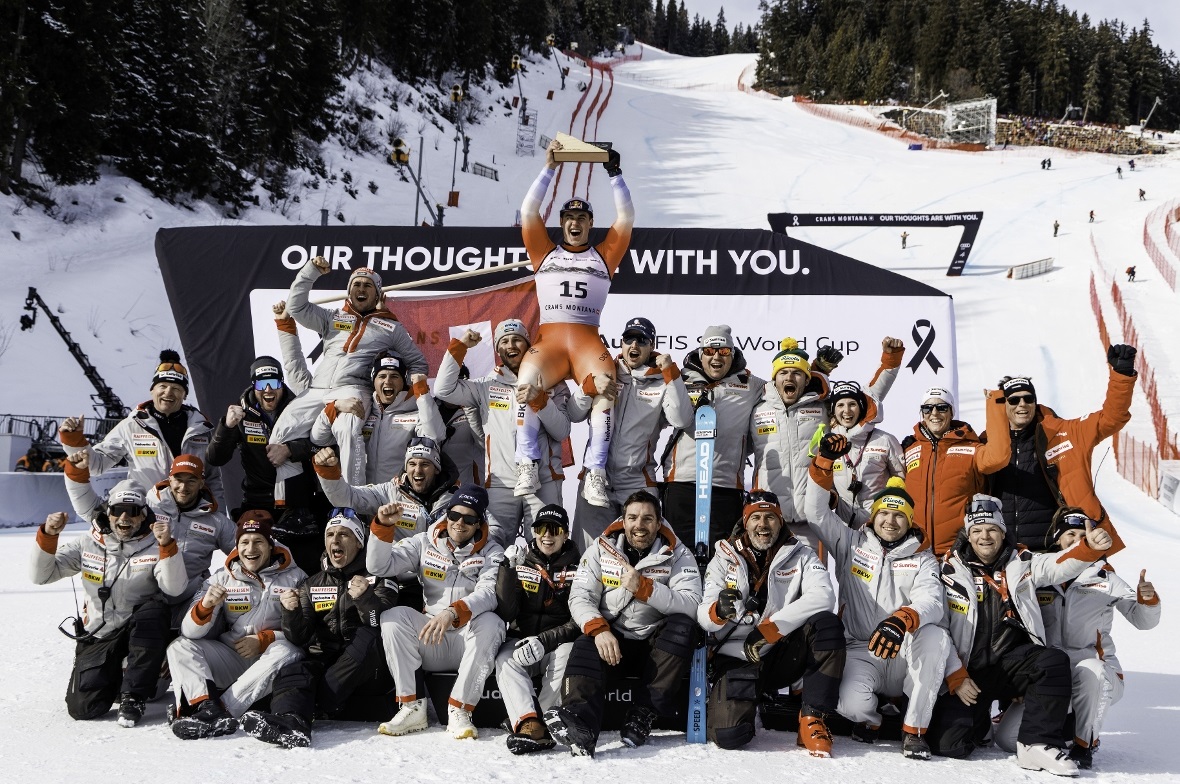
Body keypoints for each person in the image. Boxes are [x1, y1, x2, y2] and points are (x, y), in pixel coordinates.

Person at [927, 496, 1114, 775]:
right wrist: (955, 674)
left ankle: (1036, 744)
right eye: (976, 531)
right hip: (968, 672)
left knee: (1052, 661)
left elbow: (1058, 564)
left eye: (992, 529)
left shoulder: (1024, 561)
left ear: (1003, 533)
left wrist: (1087, 549)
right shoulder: (947, 570)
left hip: (1010, 664)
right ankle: (980, 725)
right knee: (952, 745)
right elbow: (938, 628)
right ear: (968, 534)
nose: (984, 536)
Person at [513, 138, 633, 506]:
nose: (575, 224)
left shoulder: (606, 254)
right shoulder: (543, 250)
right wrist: (549, 168)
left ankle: (595, 472)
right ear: (562, 224)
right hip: (550, 342)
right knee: (526, 383)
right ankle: (527, 463)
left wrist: (615, 174)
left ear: (590, 224)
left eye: (582, 219)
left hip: (585, 343)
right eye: (569, 219)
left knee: (605, 386)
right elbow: (529, 210)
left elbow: (626, 218)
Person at [806, 452, 949, 760]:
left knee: (936, 637)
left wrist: (902, 619)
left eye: (899, 515)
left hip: (903, 650)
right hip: (861, 647)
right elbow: (815, 514)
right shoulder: (851, 543)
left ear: (909, 521)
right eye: (884, 513)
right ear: (874, 516)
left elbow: (933, 601)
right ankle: (872, 722)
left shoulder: (923, 557)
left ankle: (914, 730)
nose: (890, 520)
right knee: (850, 705)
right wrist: (823, 464)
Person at [545, 491, 702, 757]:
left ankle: (641, 715)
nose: (639, 525)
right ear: (624, 519)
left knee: (683, 627)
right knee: (585, 642)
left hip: (654, 645)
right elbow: (580, 596)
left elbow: (692, 603)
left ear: (659, 521)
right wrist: (599, 630)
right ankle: (581, 726)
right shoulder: (600, 547)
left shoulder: (678, 552)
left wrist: (646, 589)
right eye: (633, 517)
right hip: (612, 640)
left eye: (647, 518)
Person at [1007, 508, 1161, 769]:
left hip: (1097, 674)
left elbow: (1142, 620)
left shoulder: (1105, 577)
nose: (1078, 539)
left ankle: (1084, 743)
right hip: (1052, 678)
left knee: (1093, 671)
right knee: (1008, 739)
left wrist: (1148, 599)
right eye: (1070, 534)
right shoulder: (1041, 574)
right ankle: (1065, 729)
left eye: (1083, 534)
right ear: (1057, 538)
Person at [697, 490, 845, 753]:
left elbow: (824, 595)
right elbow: (704, 618)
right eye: (755, 518)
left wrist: (771, 629)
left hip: (780, 654)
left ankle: (812, 718)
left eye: (770, 518)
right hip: (738, 657)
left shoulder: (801, 553)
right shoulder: (723, 556)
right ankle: (746, 701)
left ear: (780, 521)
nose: (762, 525)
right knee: (730, 735)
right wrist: (717, 611)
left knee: (826, 624)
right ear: (745, 522)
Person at [268, 258, 428, 499]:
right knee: (281, 435)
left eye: (367, 286)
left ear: (378, 294)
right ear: (349, 291)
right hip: (317, 389)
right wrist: (311, 271)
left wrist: (406, 394)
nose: (361, 289)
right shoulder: (332, 317)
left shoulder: (391, 327)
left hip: (353, 388)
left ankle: (355, 498)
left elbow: (418, 363)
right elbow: (296, 307)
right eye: (356, 284)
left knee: (348, 427)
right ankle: (289, 503)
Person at [240, 509, 400, 748]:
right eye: (330, 534)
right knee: (295, 666)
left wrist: (366, 598)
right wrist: (291, 612)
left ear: (358, 541)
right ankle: (290, 721)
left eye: (344, 535)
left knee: (370, 635)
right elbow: (299, 638)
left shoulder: (379, 576)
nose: (335, 540)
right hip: (326, 661)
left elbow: (381, 623)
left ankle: (315, 703)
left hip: (367, 669)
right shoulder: (311, 583)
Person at [31, 484, 185, 726]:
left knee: (154, 611)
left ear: (143, 515)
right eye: (118, 510)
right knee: (84, 709)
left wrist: (167, 546)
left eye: (133, 511)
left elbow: (174, 589)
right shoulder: (86, 543)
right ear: (107, 513)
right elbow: (41, 576)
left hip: (140, 633)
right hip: (99, 635)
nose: (124, 517)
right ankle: (119, 679)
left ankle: (133, 696)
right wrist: (49, 535)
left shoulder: (157, 545)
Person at [370, 484, 506, 739]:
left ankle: (460, 710)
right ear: (446, 515)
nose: (459, 523)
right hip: (433, 638)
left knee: (492, 623)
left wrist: (453, 612)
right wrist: (383, 526)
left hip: (470, 639)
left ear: (479, 523)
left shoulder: (493, 552)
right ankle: (412, 707)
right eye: (454, 515)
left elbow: (488, 593)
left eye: (469, 518)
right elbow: (379, 566)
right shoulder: (423, 542)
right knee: (392, 618)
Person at [749, 337, 904, 548]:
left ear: (806, 378)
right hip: (771, 514)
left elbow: (868, 398)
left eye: (796, 373)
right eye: (783, 373)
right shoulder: (757, 408)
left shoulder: (823, 407)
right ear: (774, 378)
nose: (789, 377)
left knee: (813, 576)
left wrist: (890, 360)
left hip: (811, 515)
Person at [167, 510, 308, 739]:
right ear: (236, 544)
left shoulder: (296, 577)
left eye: (258, 542)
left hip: (269, 662)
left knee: (288, 650)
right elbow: (189, 632)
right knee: (180, 646)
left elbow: (306, 633)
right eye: (244, 542)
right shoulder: (221, 577)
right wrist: (206, 606)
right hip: (231, 657)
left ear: (271, 544)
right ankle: (204, 707)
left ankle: (223, 710)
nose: (250, 549)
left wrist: (266, 639)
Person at [435, 321, 571, 546]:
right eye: (504, 341)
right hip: (501, 482)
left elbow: (562, 430)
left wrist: (540, 400)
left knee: (545, 547)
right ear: (498, 349)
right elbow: (443, 389)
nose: (511, 345)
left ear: (528, 345)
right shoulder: (486, 385)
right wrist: (459, 347)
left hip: (544, 481)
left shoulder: (552, 382)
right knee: (494, 547)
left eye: (517, 339)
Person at [64, 452, 236, 624]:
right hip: (145, 602)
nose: (183, 487)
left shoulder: (216, 521)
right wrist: (76, 474)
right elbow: (94, 511)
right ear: (170, 479)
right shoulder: (147, 507)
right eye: (178, 480)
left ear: (201, 483)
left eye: (191, 480)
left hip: (189, 603)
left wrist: (218, 580)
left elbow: (243, 552)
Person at [567, 316, 693, 549]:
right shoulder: (605, 370)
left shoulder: (661, 381)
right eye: (629, 339)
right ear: (622, 342)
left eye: (642, 340)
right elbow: (573, 414)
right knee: (589, 553)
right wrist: (588, 388)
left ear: (652, 346)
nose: (634, 345)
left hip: (636, 481)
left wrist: (671, 374)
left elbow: (682, 419)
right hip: (596, 480)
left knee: (641, 553)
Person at [989, 354, 1133, 554]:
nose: (1022, 404)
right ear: (1002, 404)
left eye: (1028, 398)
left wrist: (1122, 375)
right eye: (1013, 399)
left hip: (1058, 549)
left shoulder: (1067, 433)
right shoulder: (986, 444)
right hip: (1004, 552)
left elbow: (1112, 418)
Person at [58, 350, 224, 506]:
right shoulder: (131, 426)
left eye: (176, 388)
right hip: (149, 515)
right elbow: (97, 465)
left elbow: (212, 478)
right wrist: (74, 441)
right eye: (163, 386)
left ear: (185, 395)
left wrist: (217, 514)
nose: (168, 393)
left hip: (191, 514)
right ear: (152, 390)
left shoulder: (201, 428)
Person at [661, 325, 766, 546]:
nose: (716, 356)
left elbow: (787, 389)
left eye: (724, 351)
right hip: (682, 483)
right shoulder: (680, 379)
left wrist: (818, 371)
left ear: (733, 354)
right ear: (701, 354)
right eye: (709, 351)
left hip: (725, 485)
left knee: (724, 555)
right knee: (677, 553)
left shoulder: (751, 384)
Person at [494, 504, 582, 754]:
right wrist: (508, 571)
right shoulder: (521, 561)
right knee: (504, 658)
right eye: (541, 528)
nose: (547, 535)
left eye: (555, 529)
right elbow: (507, 613)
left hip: (556, 643)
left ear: (566, 534)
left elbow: (579, 620)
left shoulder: (580, 567)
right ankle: (528, 721)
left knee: (568, 654)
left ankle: (538, 725)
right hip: (523, 640)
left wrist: (544, 641)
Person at [205, 354, 323, 525]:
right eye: (261, 384)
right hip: (257, 502)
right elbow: (215, 458)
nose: (268, 389)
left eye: (274, 383)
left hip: (297, 502)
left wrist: (290, 449)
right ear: (254, 386)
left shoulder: (300, 408)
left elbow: (321, 445)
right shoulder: (242, 414)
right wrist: (226, 427)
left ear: (282, 384)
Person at [901, 386, 1010, 555]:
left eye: (942, 407)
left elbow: (998, 457)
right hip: (915, 549)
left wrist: (995, 401)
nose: (934, 413)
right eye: (927, 408)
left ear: (952, 413)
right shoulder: (909, 449)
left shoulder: (971, 448)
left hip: (959, 550)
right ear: (922, 414)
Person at [311, 352, 443, 486]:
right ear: (374, 381)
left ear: (403, 382)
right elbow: (319, 438)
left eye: (394, 376)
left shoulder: (416, 413)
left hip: (395, 497)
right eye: (382, 376)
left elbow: (434, 436)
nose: (388, 381)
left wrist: (422, 393)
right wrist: (334, 407)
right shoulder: (362, 409)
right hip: (361, 496)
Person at [313, 439, 457, 537]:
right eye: (412, 464)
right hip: (398, 576)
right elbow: (346, 498)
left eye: (425, 464)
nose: (417, 471)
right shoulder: (388, 492)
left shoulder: (456, 497)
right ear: (406, 468)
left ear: (437, 469)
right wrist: (328, 472)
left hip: (439, 577)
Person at [823, 380, 905, 527]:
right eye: (840, 405)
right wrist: (831, 497)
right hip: (843, 526)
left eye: (852, 404)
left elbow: (902, 479)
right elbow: (827, 484)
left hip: (880, 525)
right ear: (833, 410)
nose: (847, 411)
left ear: (861, 407)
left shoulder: (885, 440)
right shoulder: (829, 443)